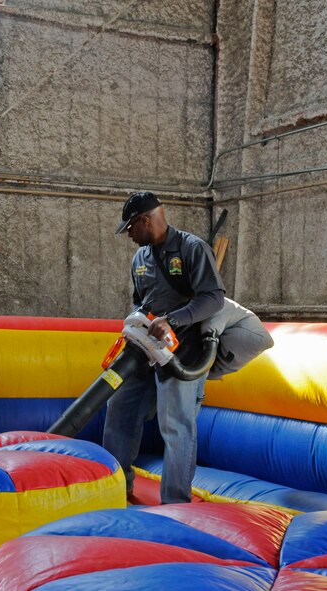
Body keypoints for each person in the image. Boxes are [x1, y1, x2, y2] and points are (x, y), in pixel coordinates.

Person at [104, 191, 225, 504]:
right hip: (146, 350)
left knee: (176, 425)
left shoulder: (192, 248)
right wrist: (136, 322)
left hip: (183, 353)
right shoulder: (140, 259)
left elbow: (213, 298)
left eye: (130, 227)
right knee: (119, 406)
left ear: (145, 220)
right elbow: (139, 301)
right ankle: (116, 489)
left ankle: (175, 503)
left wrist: (173, 320)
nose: (128, 234)